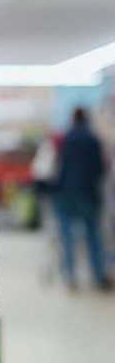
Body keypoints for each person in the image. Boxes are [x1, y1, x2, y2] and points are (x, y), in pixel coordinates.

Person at [54, 107, 110, 290]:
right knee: (93, 236)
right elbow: (100, 169)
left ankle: (71, 277)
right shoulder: (93, 139)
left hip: (67, 194)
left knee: (68, 238)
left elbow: (60, 167)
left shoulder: (66, 139)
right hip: (88, 194)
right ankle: (99, 275)